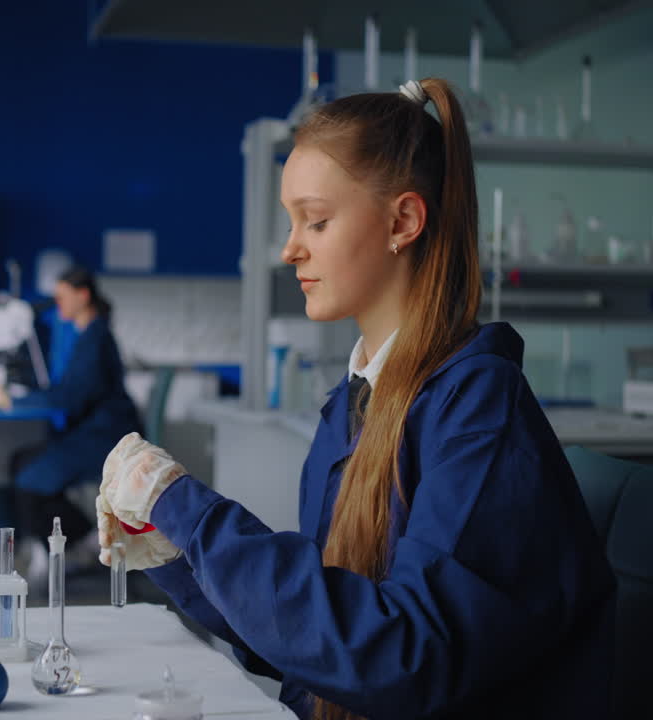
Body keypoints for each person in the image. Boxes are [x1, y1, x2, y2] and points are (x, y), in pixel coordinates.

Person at [96, 79, 615, 720]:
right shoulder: (352, 406)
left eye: (315, 220)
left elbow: (401, 655)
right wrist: (179, 556)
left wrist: (194, 515)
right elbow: (316, 645)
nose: (290, 248)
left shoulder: (478, 410)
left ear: (403, 221)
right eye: (291, 222)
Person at [0, 266, 142, 574]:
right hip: (92, 434)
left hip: (105, 441)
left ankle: (74, 544)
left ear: (83, 296)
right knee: (20, 460)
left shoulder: (95, 338)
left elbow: (69, 398)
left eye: (61, 297)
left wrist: (12, 400)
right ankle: (74, 539)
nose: (57, 304)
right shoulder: (89, 334)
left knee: (29, 477)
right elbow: (67, 391)